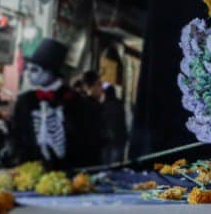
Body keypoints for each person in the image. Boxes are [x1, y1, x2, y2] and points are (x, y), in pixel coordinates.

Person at [9, 38, 99, 169]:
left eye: (34, 70)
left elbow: (88, 143)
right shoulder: (25, 102)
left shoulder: (77, 102)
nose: (29, 75)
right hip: (30, 172)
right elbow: (17, 136)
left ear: (50, 71)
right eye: (28, 69)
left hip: (69, 172)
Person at [99, 84, 128, 165]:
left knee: (107, 165)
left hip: (109, 141)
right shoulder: (119, 103)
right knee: (117, 165)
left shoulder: (104, 105)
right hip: (120, 139)